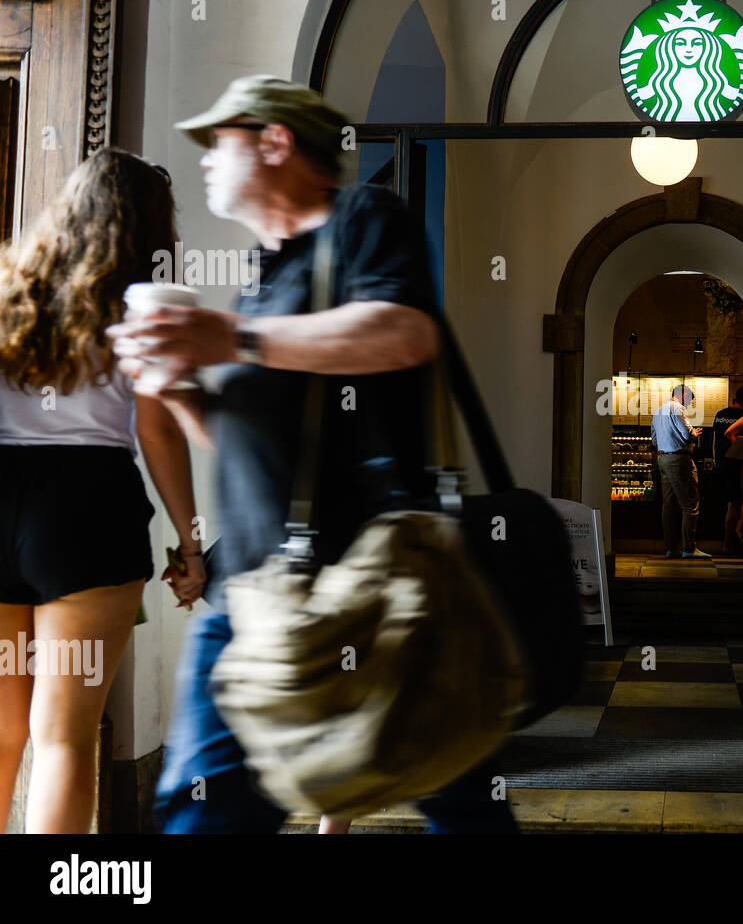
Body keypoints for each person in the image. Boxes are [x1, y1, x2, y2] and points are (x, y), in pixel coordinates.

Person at [109, 74, 514, 834]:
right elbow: (249, 443)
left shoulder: (364, 217)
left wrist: (229, 340)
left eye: (218, 140)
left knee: (458, 791)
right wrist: (176, 389)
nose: (203, 159)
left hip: (376, 574)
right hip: (257, 585)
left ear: (275, 141)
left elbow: (402, 332)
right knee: (201, 805)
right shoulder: (268, 276)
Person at [0, 149, 206, 833]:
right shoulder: (141, 304)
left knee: (1, 735)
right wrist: (191, 539)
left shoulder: (8, 286)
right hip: (87, 512)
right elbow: (160, 431)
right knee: (63, 736)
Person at [650, 384, 710, 560]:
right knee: (690, 504)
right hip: (679, 459)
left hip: (662, 459)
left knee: (668, 505)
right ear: (683, 394)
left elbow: (654, 439)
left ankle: (671, 548)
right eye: (690, 399)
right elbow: (686, 434)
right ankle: (689, 548)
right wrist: (695, 433)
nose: (690, 404)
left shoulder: (658, 410)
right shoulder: (678, 408)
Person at [711, 385, 743, 557]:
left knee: (733, 503)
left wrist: (716, 461)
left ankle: (734, 539)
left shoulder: (720, 414)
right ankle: (730, 542)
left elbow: (714, 441)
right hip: (736, 463)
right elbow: (733, 435)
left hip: (720, 463)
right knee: (737, 503)